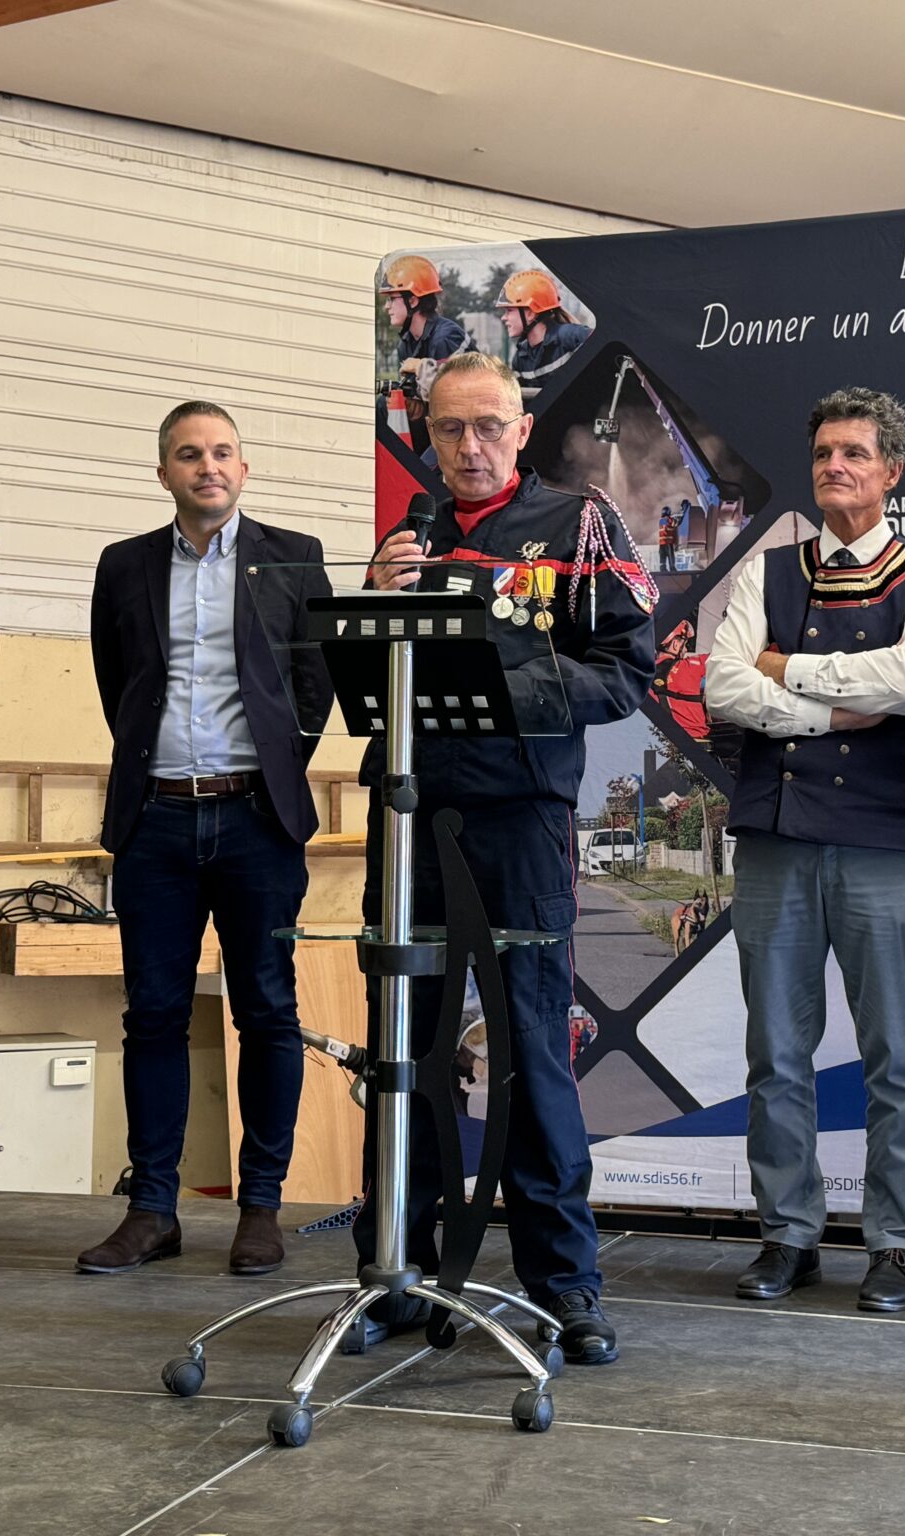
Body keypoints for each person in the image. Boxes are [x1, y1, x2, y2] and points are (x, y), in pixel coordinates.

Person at [360, 352, 653, 1364]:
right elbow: (358, 673)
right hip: (410, 813)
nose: (470, 446)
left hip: (520, 819)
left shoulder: (579, 525)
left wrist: (503, 689)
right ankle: (392, 1271)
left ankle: (565, 1284)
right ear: (428, 437)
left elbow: (626, 672)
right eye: (450, 429)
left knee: (531, 1049)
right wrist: (373, 603)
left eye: (489, 426)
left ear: (522, 430)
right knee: (402, 1050)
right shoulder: (408, 536)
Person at [707, 387, 905, 1313]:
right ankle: (788, 1233)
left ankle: (897, 1244)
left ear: (892, 470)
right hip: (775, 838)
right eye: (823, 453)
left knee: (895, 1054)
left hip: (885, 843)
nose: (834, 467)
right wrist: (829, 710)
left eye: (854, 453)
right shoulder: (769, 571)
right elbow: (723, 687)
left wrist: (785, 669)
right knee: (776, 1051)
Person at [77, 402, 333, 1278]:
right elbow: (118, 683)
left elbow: (314, 685)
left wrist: (274, 768)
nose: (208, 466)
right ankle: (152, 1210)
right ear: (165, 474)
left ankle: (261, 1207)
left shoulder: (294, 558)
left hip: (258, 821)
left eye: (223, 452)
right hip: (154, 821)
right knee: (152, 1015)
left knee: (266, 1011)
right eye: (190, 455)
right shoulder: (124, 565)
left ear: (244, 469)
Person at [381, 254, 471, 398]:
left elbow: (458, 394)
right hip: (437, 409)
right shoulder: (406, 344)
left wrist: (421, 367)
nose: (386, 306)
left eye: (391, 299)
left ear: (412, 301)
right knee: (385, 402)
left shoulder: (445, 338)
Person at [496, 268, 589, 381]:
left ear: (531, 313)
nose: (503, 317)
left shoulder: (574, 337)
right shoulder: (520, 359)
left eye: (509, 310)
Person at [658, 504, 680, 572]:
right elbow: (674, 524)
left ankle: (663, 569)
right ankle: (672, 568)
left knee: (662, 557)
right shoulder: (668, 520)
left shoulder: (661, 520)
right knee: (670, 556)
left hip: (661, 544)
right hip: (668, 543)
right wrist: (676, 519)